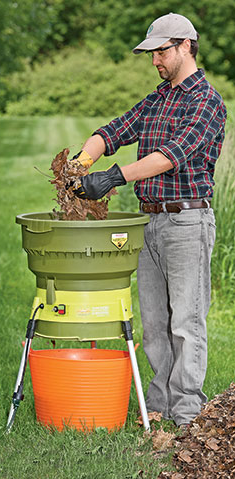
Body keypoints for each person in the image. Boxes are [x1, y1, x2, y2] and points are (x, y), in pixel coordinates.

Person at [70, 13, 227, 427]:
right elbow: (114, 130)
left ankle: (187, 414)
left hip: (187, 224)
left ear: (186, 46)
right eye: (151, 52)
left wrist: (113, 176)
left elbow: (172, 155)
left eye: (161, 51)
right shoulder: (158, 99)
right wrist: (81, 163)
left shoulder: (206, 101)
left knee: (186, 323)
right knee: (155, 324)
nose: (155, 60)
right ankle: (157, 407)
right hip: (149, 223)